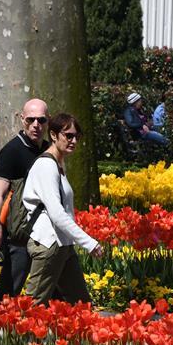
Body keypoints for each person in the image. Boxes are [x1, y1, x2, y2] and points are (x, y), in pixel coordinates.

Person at [21, 113, 104, 304]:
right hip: (49, 244)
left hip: (63, 245)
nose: (73, 141)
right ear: (53, 135)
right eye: (68, 135)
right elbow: (57, 213)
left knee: (81, 305)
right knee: (32, 306)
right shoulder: (46, 166)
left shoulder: (58, 164)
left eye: (77, 136)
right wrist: (89, 243)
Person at [0, 98, 50, 305]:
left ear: (47, 120)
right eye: (30, 120)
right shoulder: (12, 151)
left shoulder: (50, 150)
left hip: (46, 232)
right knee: (9, 289)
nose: (36, 125)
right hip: (19, 234)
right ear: (21, 119)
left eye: (41, 120)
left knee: (52, 290)